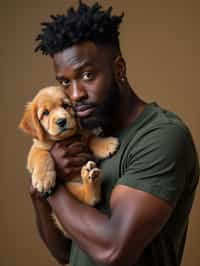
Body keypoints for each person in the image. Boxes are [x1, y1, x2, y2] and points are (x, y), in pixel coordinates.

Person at [31, 1, 199, 266]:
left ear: (119, 69)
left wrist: (52, 187)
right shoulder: (86, 138)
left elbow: (113, 251)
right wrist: (39, 190)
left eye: (87, 75)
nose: (75, 95)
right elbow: (67, 252)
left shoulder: (162, 137)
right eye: (65, 82)